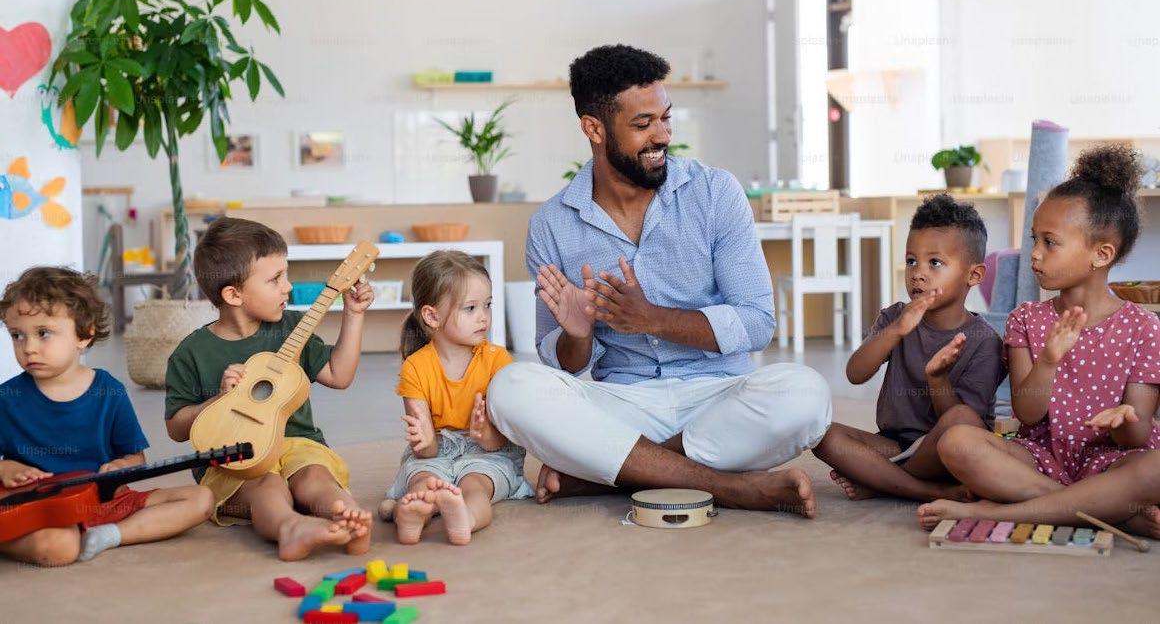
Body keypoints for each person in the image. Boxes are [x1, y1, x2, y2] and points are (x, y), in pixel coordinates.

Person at [487, 44, 832, 516]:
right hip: (624, 403)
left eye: (666, 118)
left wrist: (651, 319)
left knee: (805, 394)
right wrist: (578, 336)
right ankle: (730, 487)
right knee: (511, 388)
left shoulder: (715, 192)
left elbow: (757, 324)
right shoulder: (552, 225)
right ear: (594, 128)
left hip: (718, 398)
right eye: (643, 124)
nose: (663, 135)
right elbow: (562, 366)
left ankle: (624, 471)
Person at [917, 146, 1160, 538]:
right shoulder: (1026, 319)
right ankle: (1109, 511)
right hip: (1040, 460)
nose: (1034, 254)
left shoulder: (1144, 327)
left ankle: (994, 511)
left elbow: (1137, 436)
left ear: (1101, 254)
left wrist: (1124, 421)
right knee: (956, 443)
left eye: (1050, 242)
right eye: (1035, 239)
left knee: (1155, 468)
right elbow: (1027, 414)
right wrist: (1048, 360)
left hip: (1114, 462)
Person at [165, 217, 374, 560]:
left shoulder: (293, 327)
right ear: (233, 294)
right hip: (233, 458)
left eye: (285, 274)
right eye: (275, 279)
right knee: (268, 486)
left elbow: (339, 375)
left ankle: (346, 515)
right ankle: (290, 527)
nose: (288, 287)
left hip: (298, 443)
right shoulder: (191, 352)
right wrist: (219, 399)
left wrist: (354, 315)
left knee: (314, 477)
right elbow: (176, 428)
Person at [0, 267, 212, 566]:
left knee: (201, 499)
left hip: (105, 500)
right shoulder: (7, 397)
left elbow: (135, 457)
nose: (28, 348)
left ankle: (109, 535)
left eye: (43, 333)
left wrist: (120, 466)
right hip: (38, 509)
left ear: (84, 334)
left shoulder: (109, 391)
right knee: (60, 547)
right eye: (17, 335)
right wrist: (5, 467)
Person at [812, 194, 1005, 502]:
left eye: (935, 263)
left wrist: (937, 378)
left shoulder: (985, 341)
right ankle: (922, 489)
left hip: (946, 451)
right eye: (911, 261)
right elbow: (855, 373)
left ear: (974, 275)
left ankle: (882, 479)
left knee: (961, 420)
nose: (918, 273)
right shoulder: (895, 318)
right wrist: (897, 330)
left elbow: (964, 427)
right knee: (820, 433)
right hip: (895, 445)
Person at [380, 251, 532, 545]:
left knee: (475, 486)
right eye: (470, 308)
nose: (483, 317)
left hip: (488, 454)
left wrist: (485, 433)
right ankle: (411, 515)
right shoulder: (415, 367)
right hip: (437, 454)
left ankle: (466, 518)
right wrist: (424, 442)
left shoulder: (498, 361)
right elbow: (427, 452)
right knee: (423, 482)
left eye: (487, 305)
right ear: (432, 316)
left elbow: (499, 442)